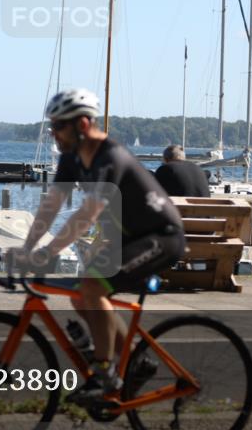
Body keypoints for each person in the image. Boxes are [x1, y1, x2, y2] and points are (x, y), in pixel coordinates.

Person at [16, 88, 186, 404]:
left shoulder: (111, 157)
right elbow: (52, 204)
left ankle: (105, 373)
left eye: (58, 126)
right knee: (83, 298)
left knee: (93, 286)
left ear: (81, 124)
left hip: (161, 237)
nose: (53, 133)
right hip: (130, 239)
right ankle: (137, 363)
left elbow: (87, 214)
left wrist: (49, 251)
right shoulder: (71, 158)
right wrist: (27, 247)